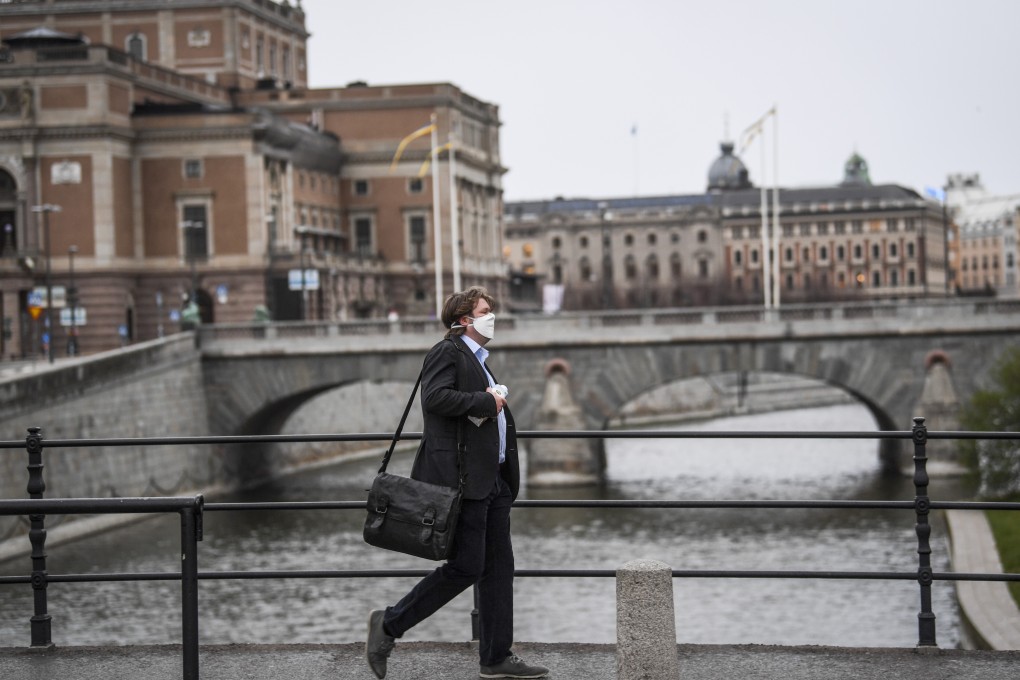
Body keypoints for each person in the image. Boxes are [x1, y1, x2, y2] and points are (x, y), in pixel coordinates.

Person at [366, 286, 548, 679]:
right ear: (464, 319)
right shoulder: (447, 351)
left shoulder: (478, 358)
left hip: (493, 478)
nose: (491, 316)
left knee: (499, 569)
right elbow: (435, 399)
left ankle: (496, 656)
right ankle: (389, 624)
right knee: (467, 566)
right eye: (485, 311)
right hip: (466, 480)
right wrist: (487, 401)